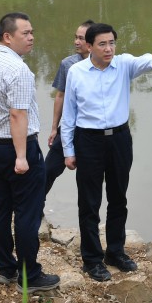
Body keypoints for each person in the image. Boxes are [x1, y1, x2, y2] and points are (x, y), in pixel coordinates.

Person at [60, 23, 152, 281]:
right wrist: (68, 150)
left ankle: (116, 251)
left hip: (119, 138)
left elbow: (143, 59)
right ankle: (91, 259)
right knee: (89, 201)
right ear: (89, 46)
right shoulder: (76, 72)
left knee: (118, 197)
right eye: (102, 44)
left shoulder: (122, 65)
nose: (109, 48)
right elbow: (69, 114)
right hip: (88, 140)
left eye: (112, 43)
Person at [0, 13, 60, 293]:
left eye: (33, 32)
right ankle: (29, 275)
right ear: (7, 37)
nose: (32, 37)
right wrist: (21, 156)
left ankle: (5, 268)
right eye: (26, 33)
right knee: (27, 212)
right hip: (17, 147)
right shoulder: (18, 70)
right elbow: (17, 114)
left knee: (0, 206)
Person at [44, 19, 94, 195]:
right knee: (48, 170)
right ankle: (35, 207)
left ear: (91, 43)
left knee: (89, 178)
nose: (76, 42)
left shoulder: (105, 64)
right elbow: (60, 96)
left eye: (81, 38)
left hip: (91, 132)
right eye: (75, 37)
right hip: (68, 128)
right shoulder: (68, 64)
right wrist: (53, 128)